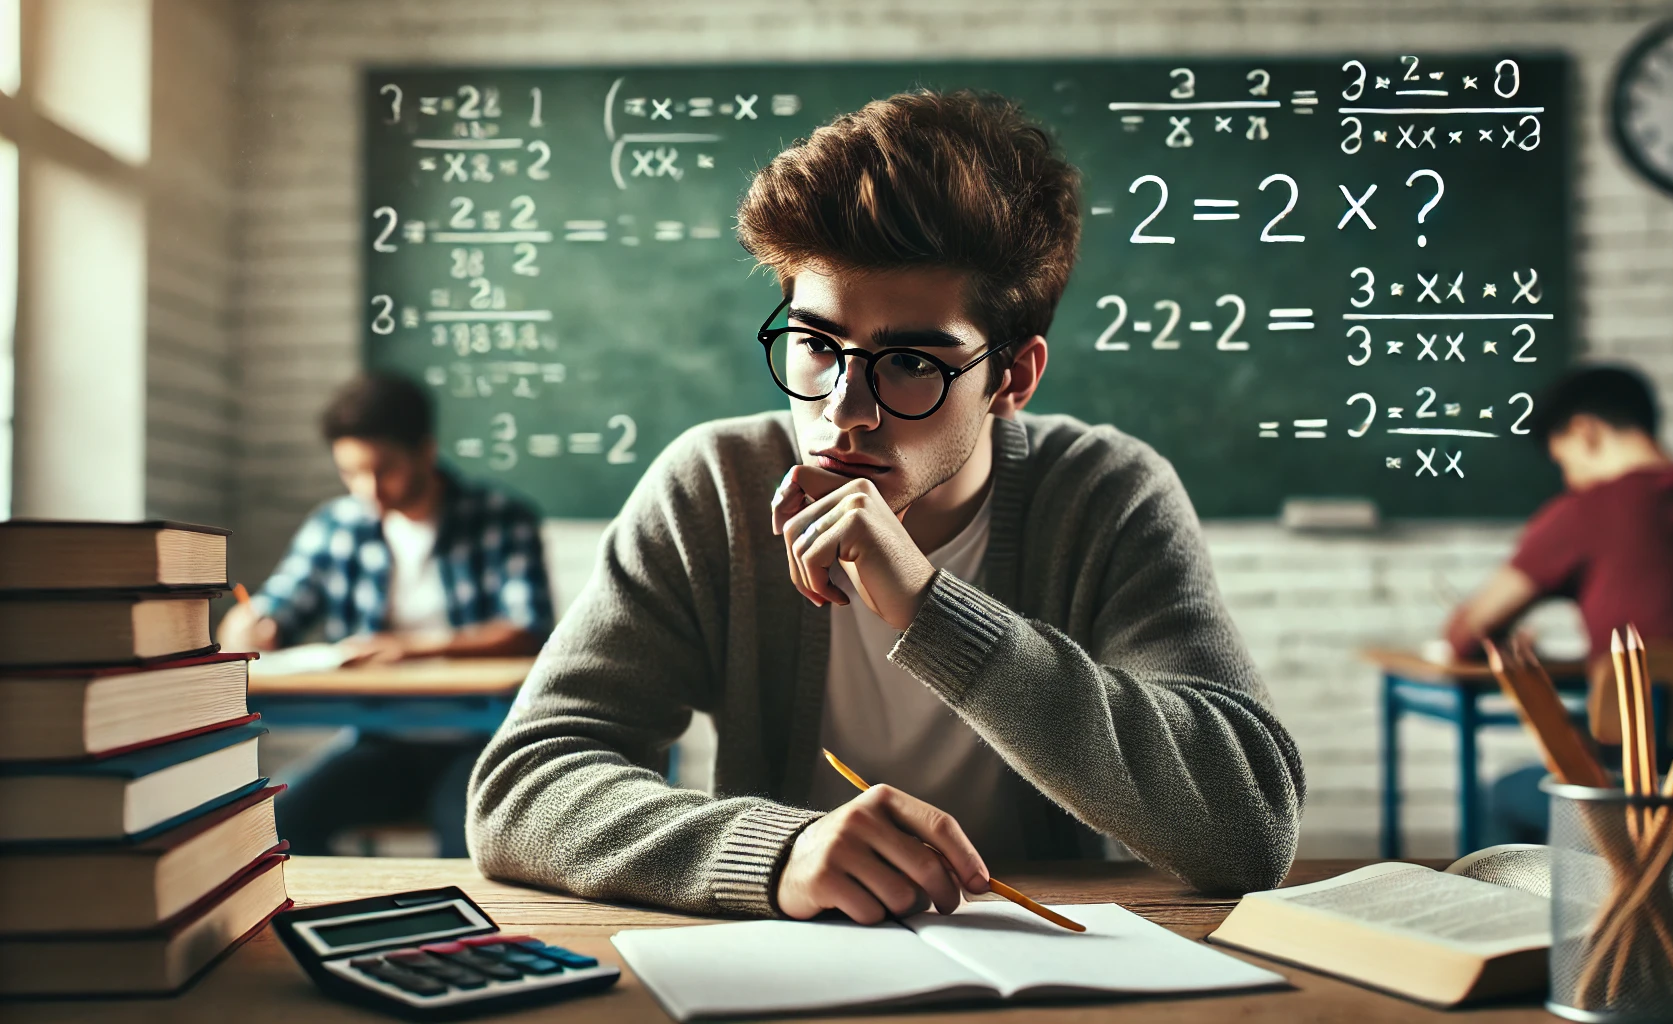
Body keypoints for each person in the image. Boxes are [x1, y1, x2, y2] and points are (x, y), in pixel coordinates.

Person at [468, 90, 1304, 925]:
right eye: (816, 345)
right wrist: (777, 854)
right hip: (790, 961)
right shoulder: (712, 487)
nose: (843, 410)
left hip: (1050, 954)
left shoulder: (1104, 493)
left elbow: (1251, 827)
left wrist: (932, 607)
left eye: (908, 362)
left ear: (1011, 378)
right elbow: (525, 784)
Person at [1444, 365, 1673, 845]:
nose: (1569, 480)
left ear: (1585, 432)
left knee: (1501, 796)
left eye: (1563, 463)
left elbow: (1466, 632)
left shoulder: (1582, 514)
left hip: (1615, 802)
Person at [220, 373, 553, 856]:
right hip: (381, 741)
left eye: (384, 470)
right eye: (351, 473)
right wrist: (253, 624)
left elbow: (528, 630)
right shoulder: (338, 526)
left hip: (480, 741)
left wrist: (412, 648)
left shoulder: (501, 518)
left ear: (426, 451)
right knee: (277, 821)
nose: (369, 490)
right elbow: (280, 605)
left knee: (472, 841)